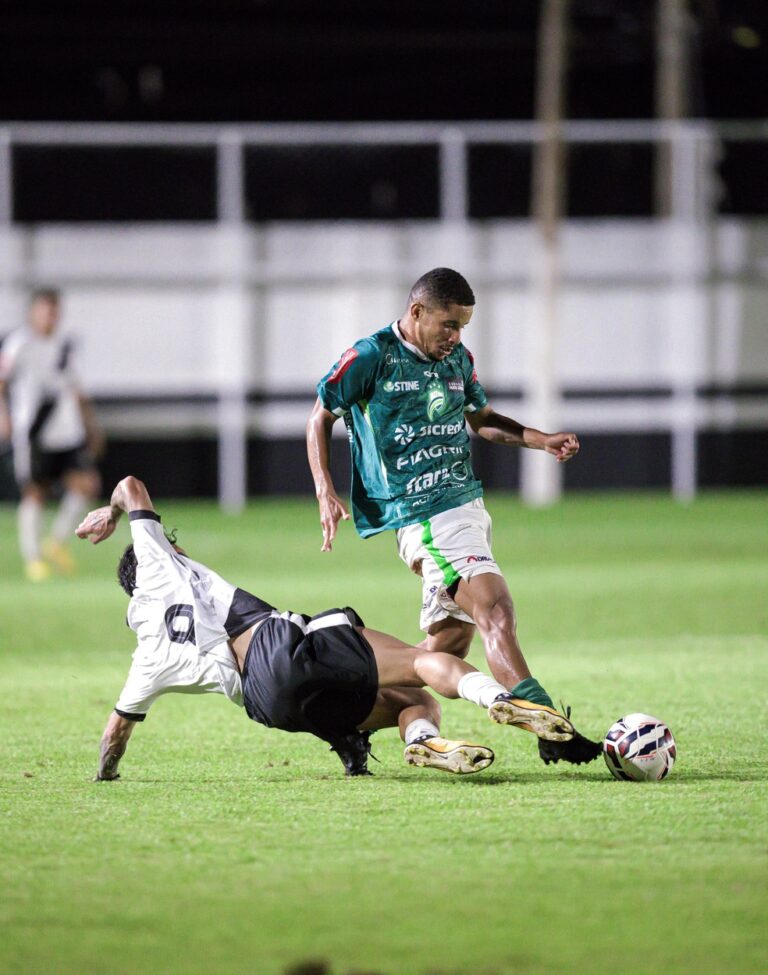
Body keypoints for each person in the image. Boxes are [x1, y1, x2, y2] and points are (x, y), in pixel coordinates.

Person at [76, 475, 571, 781]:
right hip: (276, 646)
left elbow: (116, 732)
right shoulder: (157, 560)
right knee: (420, 664)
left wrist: (106, 775)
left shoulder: (145, 658)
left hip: (268, 706)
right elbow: (130, 485)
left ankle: (417, 741)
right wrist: (113, 512)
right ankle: (503, 700)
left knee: (416, 704)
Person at [307, 267, 601, 766]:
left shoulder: (457, 360)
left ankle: (344, 707)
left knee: (442, 651)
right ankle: (551, 725)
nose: (456, 337)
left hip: (465, 505)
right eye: (448, 324)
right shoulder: (371, 356)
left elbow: (482, 421)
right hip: (424, 514)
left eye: (463, 326)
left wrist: (541, 439)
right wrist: (324, 488)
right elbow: (321, 415)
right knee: (496, 611)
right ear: (417, 311)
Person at [0, 287, 102, 581]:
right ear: (34, 312)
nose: (51, 316)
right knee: (35, 491)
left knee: (86, 485)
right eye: (46, 310)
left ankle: (56, 542)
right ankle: (33, 559)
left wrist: (90, 426)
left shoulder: (64, 344)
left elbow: (75, 388)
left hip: (66, 431)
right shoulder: (19, 344)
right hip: (34, 431)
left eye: (55, 311)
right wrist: (4, 416)